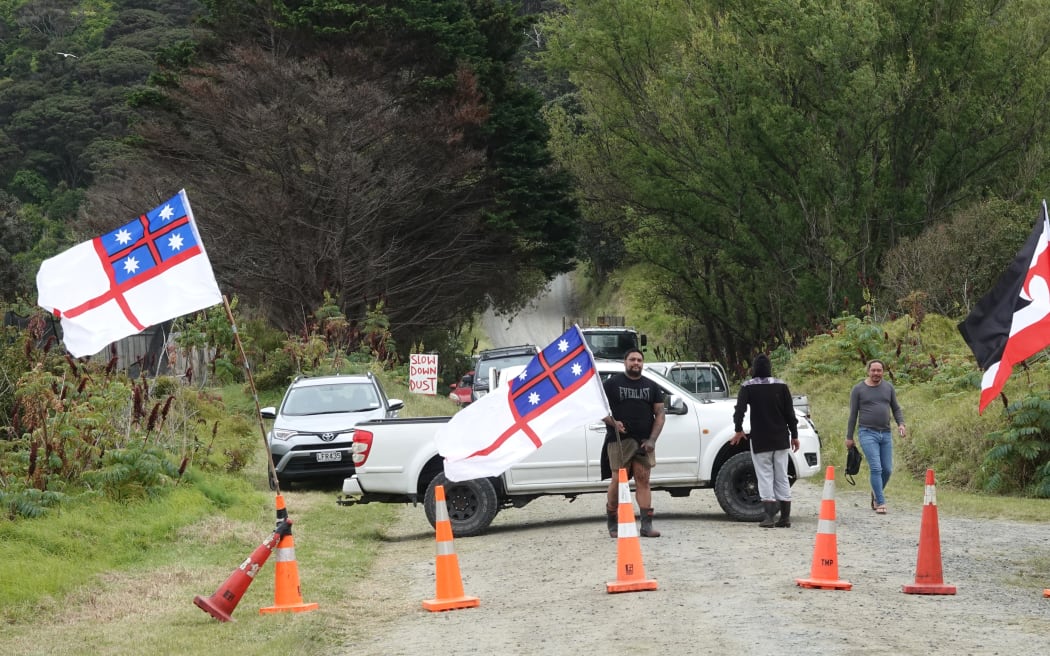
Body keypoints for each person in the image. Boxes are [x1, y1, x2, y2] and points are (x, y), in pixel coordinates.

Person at [730, 354, 799, 528]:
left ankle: (768, 518)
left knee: (765, 476)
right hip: (781, 438)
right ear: (770, 368)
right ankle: (785, 518)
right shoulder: (781, 385)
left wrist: (738, 429)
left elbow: (740, 410)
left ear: (753, 369)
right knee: (782, 475)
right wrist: (795, 435)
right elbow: (790, 413)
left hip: (761, 438)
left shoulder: (748, 387)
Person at [602, 348, 665, 537]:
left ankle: (646, 525)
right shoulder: (612, 384)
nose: (636, 363)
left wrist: (653, 439)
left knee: (643, 480)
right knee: (618, 480)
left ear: (643, 363)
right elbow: (599, 409)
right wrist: (613, 422)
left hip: (644, 440)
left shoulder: (652, 386)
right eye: (632, 359)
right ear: (625, 362)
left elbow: (660, 414)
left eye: (639, 360)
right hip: (619, 440)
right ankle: (613, 520)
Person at [845, 359, 906, 514]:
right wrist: (849, 437)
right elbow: (853, 414)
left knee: (887, 469)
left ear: (883, 372)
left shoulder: (888, 388)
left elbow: (896, 408)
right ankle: (880, 501)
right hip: (867, 433)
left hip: (885, 433)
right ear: (868, 371)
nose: (876, 373)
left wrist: (901, 424)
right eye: (874, 370)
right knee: (876, 467)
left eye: (879, 371)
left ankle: (875, 493)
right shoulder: (858, 389)